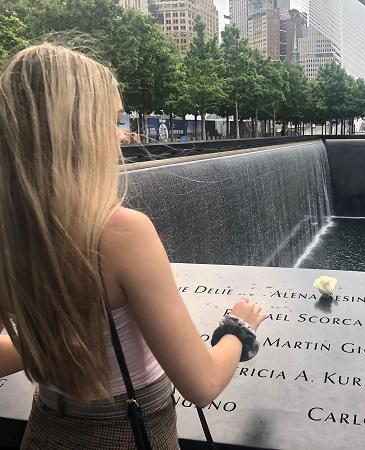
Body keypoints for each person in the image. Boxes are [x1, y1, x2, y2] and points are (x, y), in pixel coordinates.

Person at [0, 44, 267, 449]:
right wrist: (237, 328)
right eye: (114, 119)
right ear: (77, 129)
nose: (122, 134)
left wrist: (57, 337)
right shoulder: (121, 233)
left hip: (44, 432)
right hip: (126, 431)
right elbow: (202, 384)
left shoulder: (8, 227)